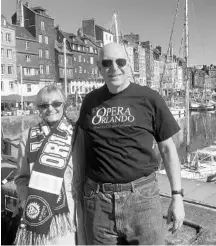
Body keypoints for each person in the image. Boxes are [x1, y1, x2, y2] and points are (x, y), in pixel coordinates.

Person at [75, 42, 185, 245]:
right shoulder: (89, 102)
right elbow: (80, 151)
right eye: (107, 63)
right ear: (99, 68)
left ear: (129, 65)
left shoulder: (149, 98)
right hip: (98, 202)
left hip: (142, 198)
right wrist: (78, 195)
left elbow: (168, 150)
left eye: (120, 61)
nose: (114, 68)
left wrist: (177, 196)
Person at [13, 85, 85, 245]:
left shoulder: (78, 133)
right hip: (43, 212)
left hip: (76, 211)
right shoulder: (27, 137)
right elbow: (21, 178)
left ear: (64, 104)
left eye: (56, 103)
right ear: (38, 108)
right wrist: (27, 202)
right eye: (44, 105)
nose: (50, 108)